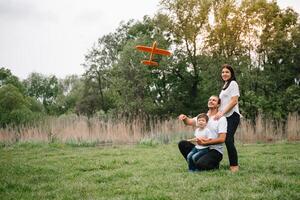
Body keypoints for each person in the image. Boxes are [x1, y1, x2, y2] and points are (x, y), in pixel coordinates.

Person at [178, 95, 227, 171]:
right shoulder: (202, 116)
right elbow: (189, 122)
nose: (211, 101)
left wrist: (206, 143)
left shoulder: (221, 119)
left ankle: (214, 164)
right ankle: (193, 164)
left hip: (215, 151)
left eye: (214, 100)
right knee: (182, 144)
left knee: (201, 164)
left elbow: (222, 139)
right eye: (210, 100)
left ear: (218, 105)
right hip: (201, 148)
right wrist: (185, 118)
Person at [214, 64, 241, 172]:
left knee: (228, 139)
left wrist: (222, 113)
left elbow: (234, 101)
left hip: (232, 115)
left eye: (227, 72)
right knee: (230, 141)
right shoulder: (225, 85)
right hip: (225, 116)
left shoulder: (233, 83)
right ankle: (231, 163)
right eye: (223, 72)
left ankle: (234, 167)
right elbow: (223, 103)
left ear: (231, 74)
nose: (224, 74)